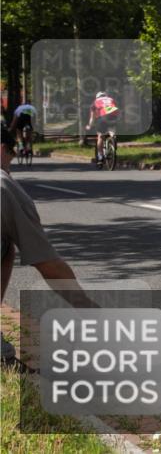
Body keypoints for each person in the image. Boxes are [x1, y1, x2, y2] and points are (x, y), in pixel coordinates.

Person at [1, 125, 95, 364]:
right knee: (7, 245)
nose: (9, 168)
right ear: (2, 150)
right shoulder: (4, 187)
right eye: (10, 160)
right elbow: (46, 262)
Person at [85, 91, 120, 164]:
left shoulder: (95, 102)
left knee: (100, 136)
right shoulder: (111, 99)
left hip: (103, 117)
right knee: (111, 129)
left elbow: (92, 118)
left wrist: (89, 126)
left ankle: (100, 156)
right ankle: (113, 138)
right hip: (114, 116)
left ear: (97, 97)